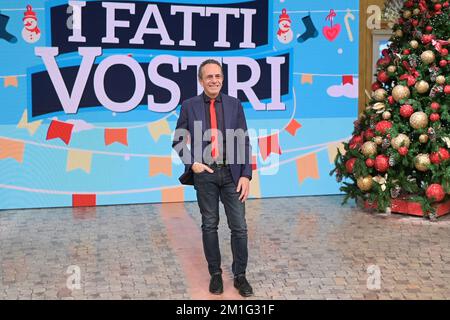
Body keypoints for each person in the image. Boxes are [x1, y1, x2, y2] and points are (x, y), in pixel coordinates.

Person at [172, 59, 253, 297]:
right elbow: (178, 140)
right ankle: (215, 274)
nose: (214, 80)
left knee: (239, 227)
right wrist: (192, 163)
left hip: (232, 173)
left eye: (218, 76)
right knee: (209, 225)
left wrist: (246, 175)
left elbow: (244, 141)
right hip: (204, 174)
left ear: (222, 78)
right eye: (209, 77)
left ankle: (240, 276)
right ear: (201, 80)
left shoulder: (234, 104)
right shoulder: (189, 106)